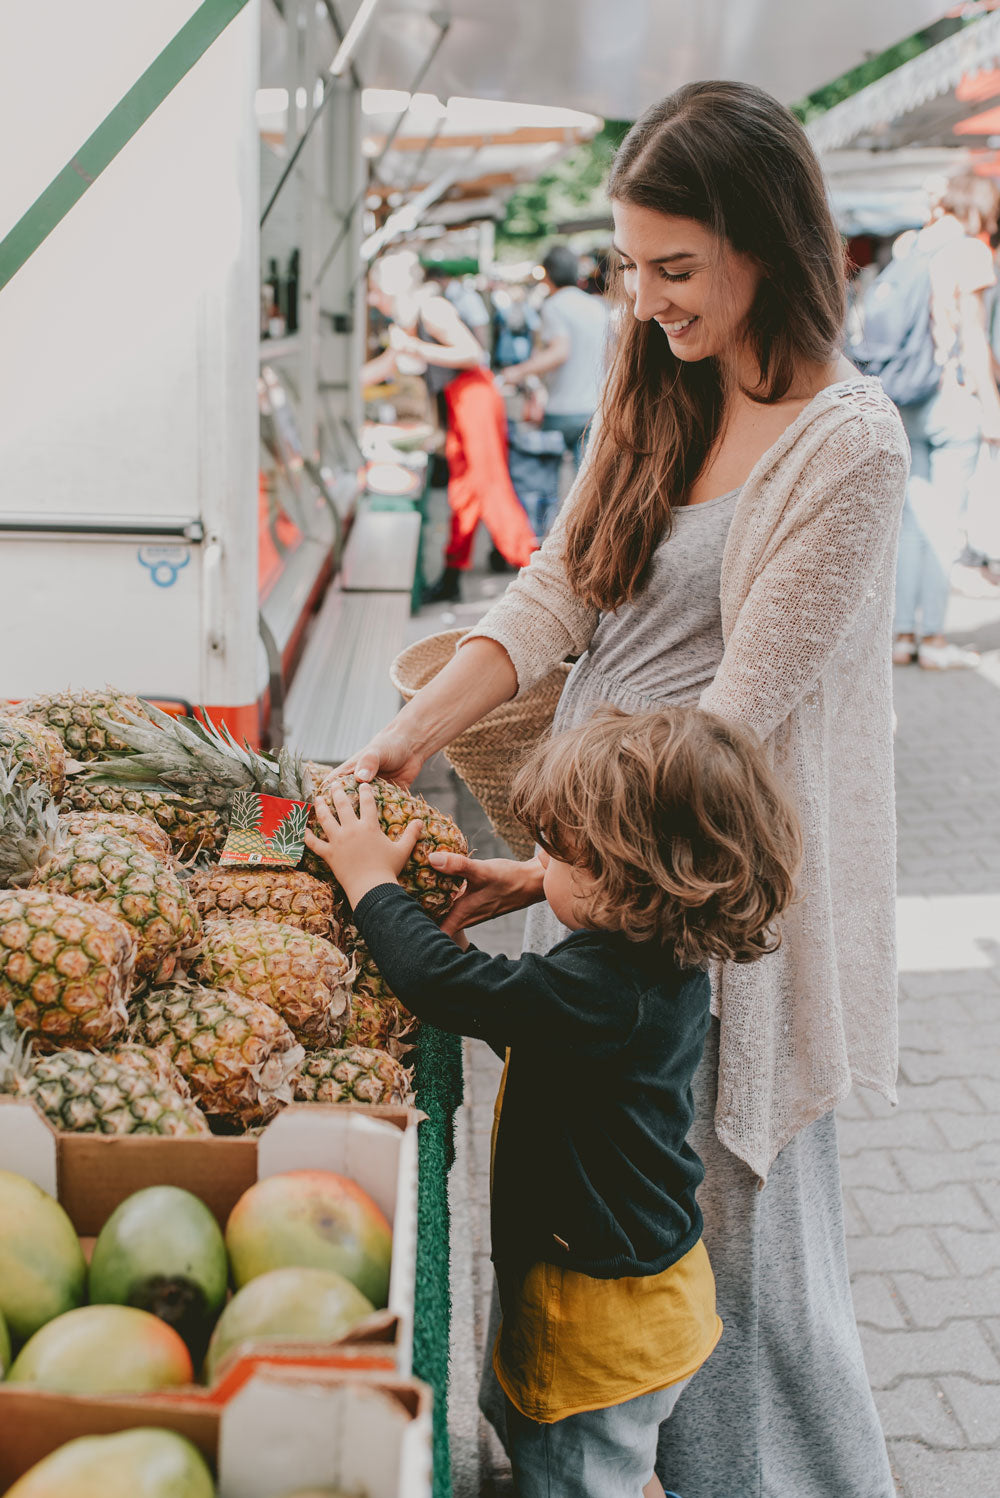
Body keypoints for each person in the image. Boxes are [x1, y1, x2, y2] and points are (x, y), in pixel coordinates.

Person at [344, 80, 909, 1498]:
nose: (645, 299)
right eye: (631, 267)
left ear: (766, 242)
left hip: (701, 903)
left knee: (740, 1262)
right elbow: (558, 590)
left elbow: (727, 731)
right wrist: (413, 733)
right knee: (588, 1229)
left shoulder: (848, 445)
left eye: (674, 268)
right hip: (598, 870)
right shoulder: (663, 383)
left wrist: (554, 870)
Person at [306, 705, 800, 1498]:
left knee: (574, 1473)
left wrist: (369, 879)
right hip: (635, 1285)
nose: (537, 865)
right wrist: (495, 952)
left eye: (557, 855)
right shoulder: (652, 956)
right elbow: (551, 1043)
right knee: (596, 1455)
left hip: (594, 1314)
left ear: (622, 880)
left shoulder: (604, 984)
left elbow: (439, 987)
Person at [368, 252, 538, 604]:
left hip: (473, 397)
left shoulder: (431, 308)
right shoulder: (414, 313)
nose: (372, 299)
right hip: (460, 402)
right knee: (464, 491)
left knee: (491, 489)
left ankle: (537, 575)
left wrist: (414, 347)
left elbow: (472, 352)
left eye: (374, 290)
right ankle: (451, 574)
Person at [890, 173, 1000, 669]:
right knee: (942, 525)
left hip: (904, 395)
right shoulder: (969, 252)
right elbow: (975, 339)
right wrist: (992, 407)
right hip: (950, 398)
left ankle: (902, 636)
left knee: (913, 522)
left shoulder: (910, 245)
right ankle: (934, 640)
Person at [501, 245, 610, 471]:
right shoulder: (596, 306)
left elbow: (559, 351)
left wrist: (518, 372)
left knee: (548, 482)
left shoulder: (554, 305)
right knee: (584, 483)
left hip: (561, 409)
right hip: (593, 408)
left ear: (548, 275)